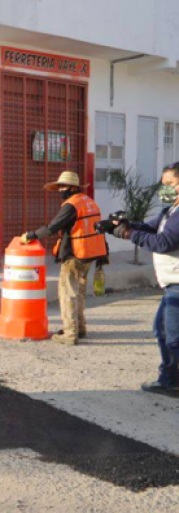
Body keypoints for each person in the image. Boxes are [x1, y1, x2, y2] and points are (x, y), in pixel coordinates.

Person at [106, 163, 179, 393]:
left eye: (170, 184)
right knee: (164, 332)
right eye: (163, 184)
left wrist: (128, 234)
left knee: (174, 339)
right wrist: (120, 225)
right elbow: (149, 228)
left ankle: (170, 380)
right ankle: (169, 380)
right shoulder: (170, 211)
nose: (164, 189)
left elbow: (163, 243)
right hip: (171, 284)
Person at [20, 171, 108, 346]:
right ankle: (80, 328)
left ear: (73, 187)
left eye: (63, 186)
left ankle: (69, 334)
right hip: (90, 253)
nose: (60, 189)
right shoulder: (89, 202)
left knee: (68, 294)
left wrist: (30, 235)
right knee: (79, 292)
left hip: (75, 254)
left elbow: (52, 227)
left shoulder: (71, 205)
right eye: (59, 186)